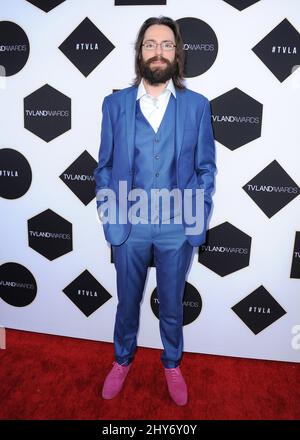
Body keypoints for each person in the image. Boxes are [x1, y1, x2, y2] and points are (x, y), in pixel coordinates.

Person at [94, 16, 216, 406]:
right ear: (140, 52)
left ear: (176, 53)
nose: (158, 51)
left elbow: (205, 169)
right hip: (129, 225)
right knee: (126, 302)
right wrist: (109, 211)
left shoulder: (197, 106)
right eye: (150, 44)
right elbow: (105, 167)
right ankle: (121, 359)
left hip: (176, 227)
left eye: (166, 44)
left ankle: (172, 363)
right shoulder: (114, 105)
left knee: (172, 303)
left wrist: (193, 218)